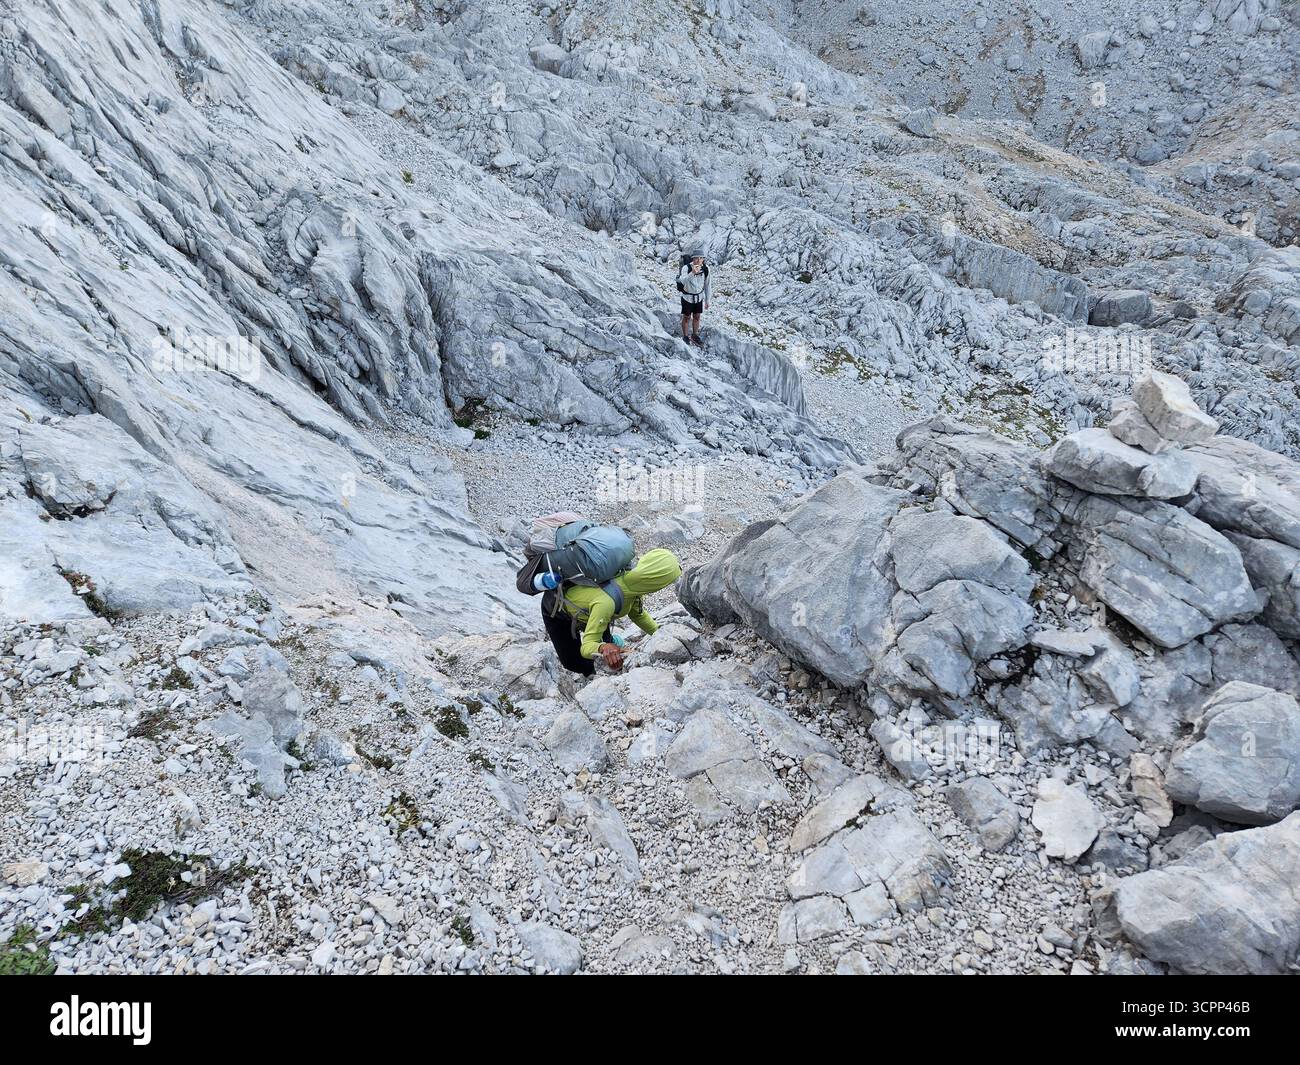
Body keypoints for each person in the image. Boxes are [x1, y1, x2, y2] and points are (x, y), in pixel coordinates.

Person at [541, 549, 682, 675]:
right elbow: (587, 647)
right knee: (576, 663)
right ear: (655, 581)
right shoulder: (606, 602)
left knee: (608, 640)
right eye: (664, 583)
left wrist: (661, 634)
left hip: (593, 612)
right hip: (558, 613)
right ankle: (589, 675)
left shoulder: (633, 582)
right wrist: (603, 648)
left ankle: (610, 642)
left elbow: (637, 614)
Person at [677, 252, 710, 346]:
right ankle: (685, 336)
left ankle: (695, 335)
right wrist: (692, 273)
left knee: (697, 316)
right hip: (687, 297)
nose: (699, 260)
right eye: (696, 258)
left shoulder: (706, 269)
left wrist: (707, 300)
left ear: (703, 259)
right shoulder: (686, 268)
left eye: (701, 258)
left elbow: (708, 285)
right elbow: (683, 281)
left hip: (699, 297)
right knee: (686, 317)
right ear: (692, 259)